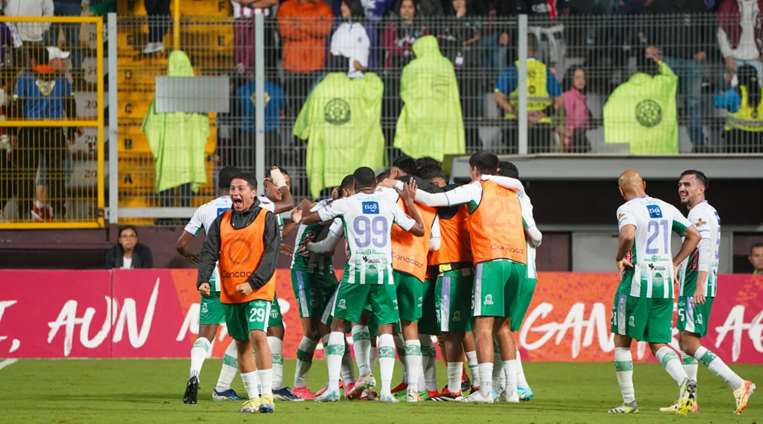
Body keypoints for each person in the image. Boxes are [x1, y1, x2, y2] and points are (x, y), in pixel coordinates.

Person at [384, 151, 530, 403]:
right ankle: (511, 389)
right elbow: (535, 234)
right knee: (494, 329)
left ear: (474, 169)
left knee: (458, 331)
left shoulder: (470, 192)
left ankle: (467, 388)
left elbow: (432, 201)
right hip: (512, 262)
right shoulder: (514, 191)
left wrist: (399, 187)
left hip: (461, 268)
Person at [299, 166, 425, 403]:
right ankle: (387, 392)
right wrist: (409, 201)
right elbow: (419, 230)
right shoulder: (389, 204)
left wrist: (327, 205)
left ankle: (334, 389)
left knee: (337, 325)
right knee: (386, 327)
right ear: (373, 185)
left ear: (354, 185)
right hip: (383, 272)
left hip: (357, 271)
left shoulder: (348, 203)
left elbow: (308, 218)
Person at [658, 169, 756, 415]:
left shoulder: (702, 213)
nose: (682, 188)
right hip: (693, 281)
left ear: (701, 188)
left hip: (697, 284)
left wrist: (699, 283)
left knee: (688, 343)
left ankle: (739, 383)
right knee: (686, 339)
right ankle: (689, 400)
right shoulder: (698, 212)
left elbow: (706, 247)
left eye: (688, 184)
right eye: (680, 184)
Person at [608, 169, 700, 415]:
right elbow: (694, 235)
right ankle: (685, 384)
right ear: (644, 184)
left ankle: (629, 403)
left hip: (637, 280)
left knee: (622, 340)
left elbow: (628, 234)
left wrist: (619, 257)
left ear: (621, 190)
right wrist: (675, 262)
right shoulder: (666, 207)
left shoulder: (627, 208)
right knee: (658, 342)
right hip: (664, 284)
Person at [196, 172, 280, 414]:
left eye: (240, 188)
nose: (235, 193)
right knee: (241, 343)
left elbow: (271, 255)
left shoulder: (267, 218)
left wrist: (253, 283)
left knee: (257, 335)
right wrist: (202, 279)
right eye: (232, 188)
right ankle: (253, 398)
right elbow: (209, 252)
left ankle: (267, 396)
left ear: (253, 193)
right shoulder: (221, 221)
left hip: (258, 290)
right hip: (230, 292)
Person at [176, 166, 245, 404]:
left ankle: (194, 374)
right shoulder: (246, 206)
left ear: (218, 184)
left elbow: (181, 243)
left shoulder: (205, 209)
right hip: (240, 279)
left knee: (206, 334)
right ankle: (227, 387)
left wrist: (194, 256)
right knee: (247, 334)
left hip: (213, 277)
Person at [288, 175, 354, 400]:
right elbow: (303, 210)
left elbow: (303, 207)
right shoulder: (331, 209)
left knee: (335, 328)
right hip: (304, 273)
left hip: (325, 273)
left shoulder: (338, 207)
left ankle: (345, 382)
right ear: (346, 191)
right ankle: (298, 385)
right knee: (313, 331)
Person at [9, 46, 75, 221]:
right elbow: (70, 105)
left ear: (34, 60)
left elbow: (16, 107)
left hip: (30, 132)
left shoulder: (24, 79)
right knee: (56, 174)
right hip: (54, 132)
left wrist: (13, 132)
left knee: (25, 174)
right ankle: (60, 213)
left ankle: (23, 214)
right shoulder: (62, 81)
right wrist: (71, 131)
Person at [494, 34, 562, 153]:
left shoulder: (512, 70)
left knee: (515, 164)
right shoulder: (544, 71)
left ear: (519, 49)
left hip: (516, 123)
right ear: (536, 50)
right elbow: (560, 99)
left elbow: (499, 97)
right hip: (541, 124)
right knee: (540, 164)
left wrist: (518, 113)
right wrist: (542, 114)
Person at [277, 0, 334, 119]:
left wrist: (300, 24)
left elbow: (324, 30)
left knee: (314, 108)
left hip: (315, 66)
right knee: (296, 108)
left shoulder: (324, 7)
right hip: (293, 66)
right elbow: (286, 31)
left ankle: (312, 137)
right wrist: (312, 27)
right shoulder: (286, 7)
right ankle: (298, 137)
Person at [713, 64, 763, 153]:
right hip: (759, 140)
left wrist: (725, 84)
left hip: (736, 139)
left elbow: (717, 103)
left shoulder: (734, 92)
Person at [717, 0, 763, 82]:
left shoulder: (761, 5)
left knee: (758, 92)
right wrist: (727, 57)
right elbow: (721, 34)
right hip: (733, 60)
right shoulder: (728, 4)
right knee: (732, 93)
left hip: (756, 59)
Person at [329, 0, 370, 78]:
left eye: (345, 5)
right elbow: (333, 56)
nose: (341, 8)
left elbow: (364, 60)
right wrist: (351, 63)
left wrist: (362, 68)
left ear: (353, 6)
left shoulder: (366, 28)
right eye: (341, 5)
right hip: (340, 79)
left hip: (360, 79)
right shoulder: (339, 28)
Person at [561, 65, 591, 153]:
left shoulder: (581, 97)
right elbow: (567, 116)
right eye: (577, 77)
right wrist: (567, 135)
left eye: (583, 78)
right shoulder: (569, 96)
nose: (581, 81)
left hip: (580, 134)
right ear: (571, 79)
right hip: (573, 137)